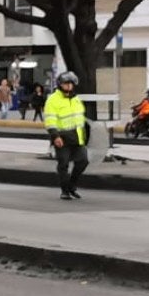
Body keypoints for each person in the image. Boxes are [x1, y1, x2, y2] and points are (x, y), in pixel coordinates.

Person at [44, 71, 89, 200]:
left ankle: (72, 185)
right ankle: (65, 190)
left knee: (83, 161)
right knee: (63, 164)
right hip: (62, 138)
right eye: (66, 83)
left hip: (77, 137)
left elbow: (80, 119)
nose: (69, 86)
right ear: (60, 84)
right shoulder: (53, 100)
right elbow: (50, 120)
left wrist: (85, 136)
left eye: (71, 83)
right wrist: (55, 136)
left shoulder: (76, 100)